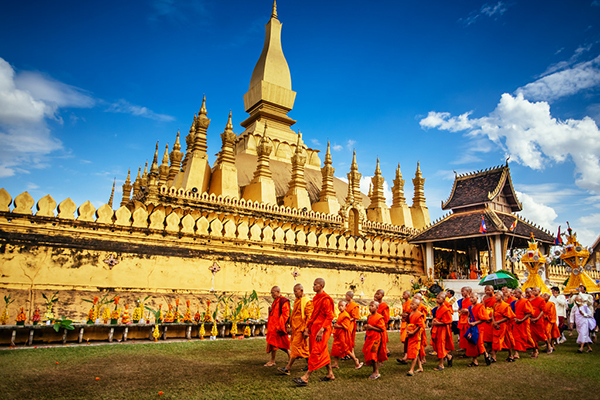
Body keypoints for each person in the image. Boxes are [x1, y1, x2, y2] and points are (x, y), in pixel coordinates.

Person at [293, 278, 335, 386]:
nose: (313, 286)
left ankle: (306, 377)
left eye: (315, 285)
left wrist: (322, 330)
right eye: (313, 284)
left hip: (323, 329)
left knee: (316, 351)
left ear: (321, 286)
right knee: (322, 350)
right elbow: (314, 315)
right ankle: (330, 373)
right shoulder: (316, 298)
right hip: (315, 328)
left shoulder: (326, 299)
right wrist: (308, 327)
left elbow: (330, 316)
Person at [278, 284, 312, 375]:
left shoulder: (306, 302)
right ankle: (311, 365)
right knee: (303, 349)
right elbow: (294, 315)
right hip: (295, 328)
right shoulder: (297, 301)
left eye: (296, 291)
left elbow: (309, 317)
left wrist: (306, 330)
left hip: (301, 329)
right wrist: (289, 325)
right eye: (294, 291)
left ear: (301, 290)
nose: (294, 293)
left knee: (295, 349)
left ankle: (287, 368)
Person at [331, 300, 363, 370]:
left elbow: (346, 326)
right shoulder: (340, 314)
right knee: (335, 349)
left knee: (345, 349)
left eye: (342, 306)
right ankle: (335, 364)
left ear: (345, 307)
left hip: (342, 335)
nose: (340, 307)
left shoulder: (346, 315)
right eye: (339, 306)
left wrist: (337, 326)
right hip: (338, 334)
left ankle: (356, 361)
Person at [265, 286, 290, 367]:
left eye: (273, 292)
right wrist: (270, 310)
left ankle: (272, 361)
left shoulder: (283, 301)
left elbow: (285, 315)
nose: (272, 294)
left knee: (277, 343)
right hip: (273, 326)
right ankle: (289, 354)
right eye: (271, 293)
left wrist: (280, 326)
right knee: (275, 343)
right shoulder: (276, 301)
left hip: (278, 326)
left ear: (278, 291)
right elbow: (275, 313)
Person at [362, 300, 387, 379]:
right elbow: (369, 325)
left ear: (377, 307)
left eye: (372, 306)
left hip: (376, 339)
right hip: (370, 337)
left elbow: (381, 329)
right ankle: (374, 370)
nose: (370, 307)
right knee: (369, 352)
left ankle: (376, 372)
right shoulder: (369, 317)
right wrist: (366, 326)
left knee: (373, 354)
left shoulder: (379, 317)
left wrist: (371, 327)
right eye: (369, 305)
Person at [464, 292, 490, 366]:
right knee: (472, 343)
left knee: (479, 343)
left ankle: (486, 355)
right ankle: (475, 361)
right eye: (471, 298)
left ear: (477, 298)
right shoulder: (470, 307)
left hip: (479, 327)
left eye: (473, 297)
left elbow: (485, 318)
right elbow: (468, 316)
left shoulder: (480, 306)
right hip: (472, 327)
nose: (471, 299)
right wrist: (468, 321)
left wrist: (475, 323)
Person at [430, 292, 454, 370]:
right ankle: (449, 356)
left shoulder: (445, 309)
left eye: (439, 298)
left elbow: (449, 320)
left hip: (442, 330)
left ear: (443, 300)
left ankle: (441, 365)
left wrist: (438, 323)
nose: (437, 300)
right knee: (437, 345)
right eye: (437, 298)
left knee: (440, 345)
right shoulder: (437, 308)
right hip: (436, 329)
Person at [491, 290, 515, 362]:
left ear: (501, 296)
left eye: (497, 295)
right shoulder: (495, 305)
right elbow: (493, 314)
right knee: (495, 341)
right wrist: (494, 322)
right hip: (496, 325)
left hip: (504, 325)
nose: (495, 296)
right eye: (495, 295)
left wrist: (497, 322)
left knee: (507, 341)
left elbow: (508, 317)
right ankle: (494, 357)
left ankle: (510, 355)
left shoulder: (506, 305)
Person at [510, 288, 534, 360]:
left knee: (527, 337)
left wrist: (522, 320)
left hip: (524, 321)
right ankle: (516, 353)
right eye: (514, 293)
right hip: (516, 321)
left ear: (520, 293)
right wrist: (515, 319)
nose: (515, 295)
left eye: (516, 293)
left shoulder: (525, 301)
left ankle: (535, 350)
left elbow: (529, 313)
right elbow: (512, 312)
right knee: (516, 337)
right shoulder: (515, 302)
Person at [405, 298, 425, 376]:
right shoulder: (410, 314)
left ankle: (411, 369)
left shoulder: (419, 314)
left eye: (413, 304)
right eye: (411, 304)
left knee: (414, 352)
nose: (411, 305)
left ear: (417, 305)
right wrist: (407, 330)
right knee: (414, 352)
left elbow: (420, 326)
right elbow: (407, 323)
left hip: (416, 335)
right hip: (410, 334)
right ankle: (420, 367)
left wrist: (413, 332)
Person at [528, 287, 548, 358]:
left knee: (540, 334)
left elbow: (543, 310)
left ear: (539, 291)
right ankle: (535, 350)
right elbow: (529, 310)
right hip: (531, 319)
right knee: (531, 335)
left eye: (535, 290)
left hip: (538, 319)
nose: (533, 291)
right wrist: (530, 318)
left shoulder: (541, 299)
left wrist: (537, 318)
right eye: (533, 290)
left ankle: (549, 346)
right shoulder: (530, 300)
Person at [344, 291, 361, 358]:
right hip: (346, 323)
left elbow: (355, 317)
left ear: (350, 297)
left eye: (346, 296)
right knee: (345, 338)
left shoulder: (354, 305)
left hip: (351, 323)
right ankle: (347, 353)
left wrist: (348, 319)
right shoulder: (347, 305)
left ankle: (351, 353)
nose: (345, 297)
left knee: (349, 338)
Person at [397, 290, 412, 365]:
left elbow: (411, 312)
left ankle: (406, 356)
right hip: (404, 322)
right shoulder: (404, 303)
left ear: (408, 295)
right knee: (404, 339)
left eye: (404, 294)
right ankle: (406, 355)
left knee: (406, 339)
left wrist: (406, 315)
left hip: (408, 323)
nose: (403, 295)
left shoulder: (411, 302)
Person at [481, 285, 496, 356]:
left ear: (492, 290)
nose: (486, 291)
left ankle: (493, 348)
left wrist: (491, 317)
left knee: (492, 333)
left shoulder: (495, 298)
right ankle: (489, 347)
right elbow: (483, 307)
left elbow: (496, 308)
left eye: (488, 290)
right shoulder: (484, 297)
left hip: (493, 316)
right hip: (485, 315)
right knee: (486, 334)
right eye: (485, 290)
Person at [457, 286, 474, 353]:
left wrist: (467, 310)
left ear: (469, 292)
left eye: (463, 291)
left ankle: (468, 347)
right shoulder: (461, 300)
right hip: (462, 318)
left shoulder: (471, 299)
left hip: (468, 318)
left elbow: (473, 308)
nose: (462, 293)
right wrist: (460, 310)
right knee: (462, 333)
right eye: (461, 291)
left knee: (467, 332)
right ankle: (463, 347)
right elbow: (459, 308)